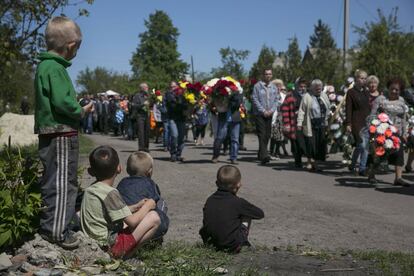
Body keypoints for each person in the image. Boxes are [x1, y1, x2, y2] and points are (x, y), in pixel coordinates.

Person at [34, 16, 93, 249]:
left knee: (54, 179)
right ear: (71, 46)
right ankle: (57, 231)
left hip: (52, 133)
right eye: (78, 47)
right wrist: (80, 110)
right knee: (62, 182)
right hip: (61, 134)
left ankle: (56, 223)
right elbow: (62, 102)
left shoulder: (45, 66)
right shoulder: (55, 68)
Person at [81, 146, 161, 258]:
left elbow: (113, 212)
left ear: (90, 172)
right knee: (154, 217)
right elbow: (132, 222)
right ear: (119, 168)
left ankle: (121, 254)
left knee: (123, 221)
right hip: (107, 248)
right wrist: (147, 206)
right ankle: (126, 256)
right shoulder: (110, 193)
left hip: (91, 245)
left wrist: (135, 207)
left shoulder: (91, 189)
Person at [199, 165, 264, 253]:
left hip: (210, 243)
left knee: (215, 216)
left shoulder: (210, 200)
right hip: (231, 246)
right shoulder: (238, 202)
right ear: (238, 184)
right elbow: (260, 214)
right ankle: (243, 243)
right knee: (247, 214)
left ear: (216, 183)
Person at [117, 151, 169, 241]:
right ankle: (155, 236)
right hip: (145, 223)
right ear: (149, 172)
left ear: (128, 170)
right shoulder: (150, 184)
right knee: (162, 202)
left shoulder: (122, 183)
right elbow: (154, 200)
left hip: (126, 224)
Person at [367, 78, 409, 186]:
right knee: (380, 153)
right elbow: (372, 116)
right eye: (392, 89)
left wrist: (404, 133)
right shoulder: (380, 99)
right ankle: (372, 175)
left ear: (400, 91)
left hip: (397, 133)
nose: (394, 91)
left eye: (397, 90)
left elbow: (404, 118)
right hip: (383, 132)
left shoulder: (401, 101)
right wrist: (373, 130)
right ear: (388, 88)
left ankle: (398, 178)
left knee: (399, 155)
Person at [297, 79, 330, 171]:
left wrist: (327, 122)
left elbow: (328, 108)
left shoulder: (324, 96)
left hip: (322, 123)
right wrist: (299, 123)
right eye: (317, 88)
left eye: (320, 88)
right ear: (312, 88)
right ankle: (309, 161)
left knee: (320, 144)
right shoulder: (307, 96)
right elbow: (302, 110)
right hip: (311, 123)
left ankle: (316, 163)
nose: (319, 90)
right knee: (311, 144)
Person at [251, 69, 279, 164]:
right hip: (260, 114)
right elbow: (254, 99)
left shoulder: (274, 87)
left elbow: (276, 100)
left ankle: (260, 153)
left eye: (270, 74)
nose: (268, 75)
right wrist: (263, 110)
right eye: (266, 74)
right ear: (263, 75)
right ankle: (264, 156)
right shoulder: (257, 86)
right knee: (262, 134)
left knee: (267, 135)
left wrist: (271, 110)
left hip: (270, 113)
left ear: (272, 75)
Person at [345, 69, 370, 176]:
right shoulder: (351, 92)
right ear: (356, 79)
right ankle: (362, 168)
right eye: (361, 78)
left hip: (367, 122)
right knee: (363, 145)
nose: (363, 80)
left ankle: (353, 164)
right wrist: (348, 123)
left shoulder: (366, 92)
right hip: (356, 122)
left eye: (365, 78)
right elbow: (348, 108)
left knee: (362, 146)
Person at [281, 80, 307, 168]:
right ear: (296, 86)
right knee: (296, 143)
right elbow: (284, 109)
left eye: (304, 87)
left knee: (305, 142)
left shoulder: (308, 96)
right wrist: (287, 124)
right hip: (293, 122)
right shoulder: (290, 95)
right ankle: (298, 161)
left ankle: (309, 161)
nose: (302, 88)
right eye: (301, 86)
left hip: (305, 123)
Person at [165, 81, 188, 162]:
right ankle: (173, 153)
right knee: (174, 135)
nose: (173, 88)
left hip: (181, 118)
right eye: (171, 87)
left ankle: (179, 154)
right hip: (172, 118)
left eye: (174, 87)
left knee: (181, 137)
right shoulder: (168, 94)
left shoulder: (183, 94)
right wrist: (180, 103)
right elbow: (172, 105)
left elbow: (186, 105)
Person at [270, 81, 288, 159]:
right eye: (276, 86)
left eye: (279, 86)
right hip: (273, 117)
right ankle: (271, 152)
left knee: (280, 137)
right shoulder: (271, 95)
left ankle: (277, 152)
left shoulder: (284, 96)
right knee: (273, 137)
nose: (278, 88)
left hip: (281, 118)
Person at [132, 83, 151, 152]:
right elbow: (134, 106)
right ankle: (141, 147)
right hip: (140, 116)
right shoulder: (137, 96)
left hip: (147, 115)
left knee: (147, 131)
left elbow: (150, 104)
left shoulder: (148, 95)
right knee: (141, 132)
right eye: (146, 87)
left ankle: (146, 147)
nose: (147, 88)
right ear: (142, 88)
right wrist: (143, 104)